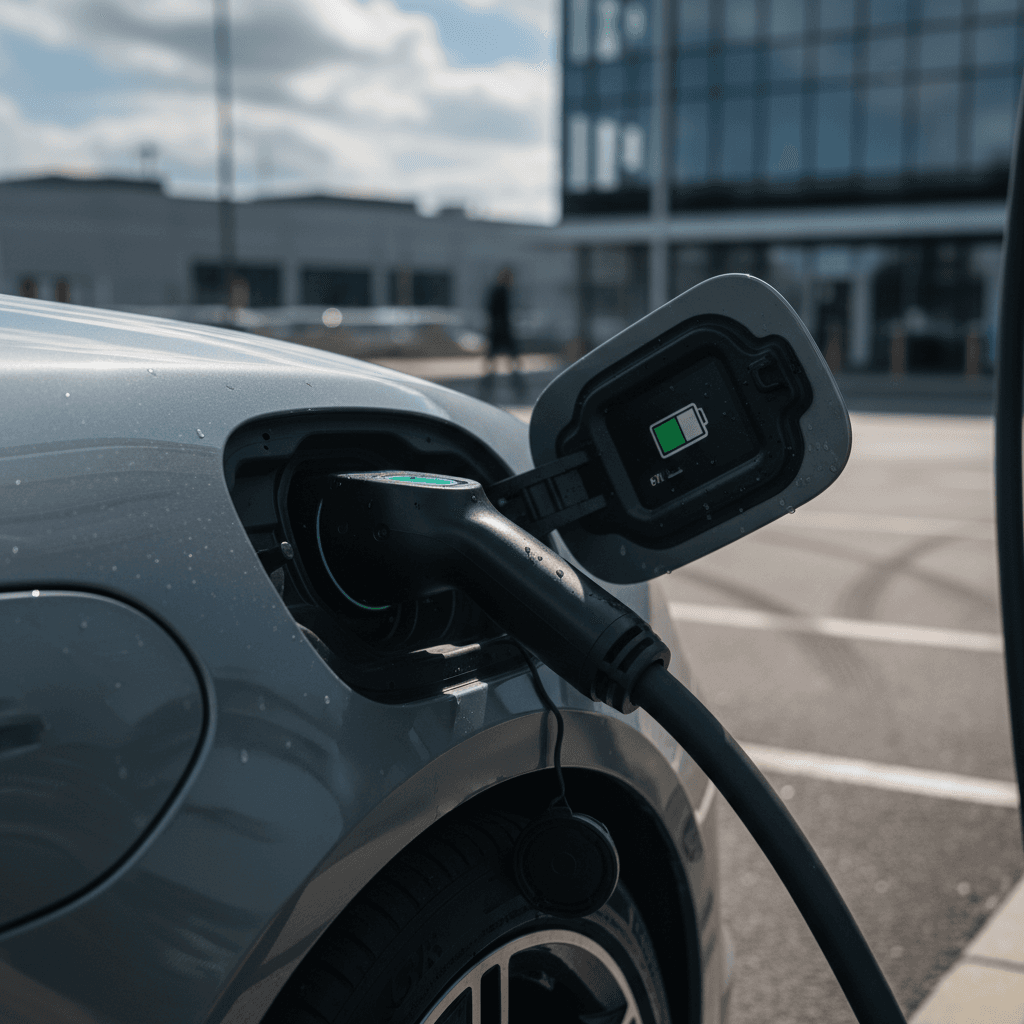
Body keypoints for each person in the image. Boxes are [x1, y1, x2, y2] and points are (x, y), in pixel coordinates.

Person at [482, 267, 523, 396]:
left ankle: (487, 386)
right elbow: (497, 312)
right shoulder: (501, 291)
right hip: (501, 330)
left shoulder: (499, 290)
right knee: (511, 360)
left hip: (498, 329)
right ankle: (517, 386)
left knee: (494, 361)